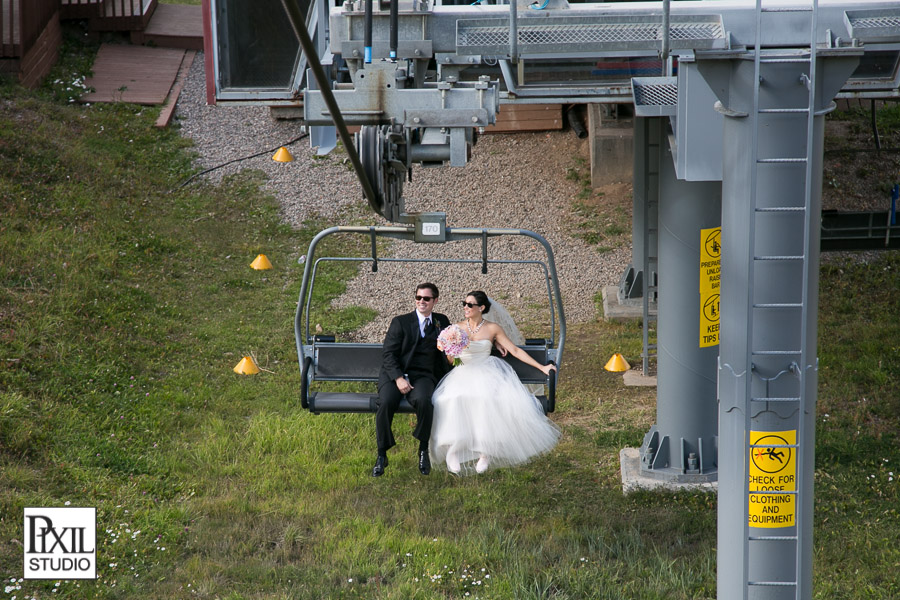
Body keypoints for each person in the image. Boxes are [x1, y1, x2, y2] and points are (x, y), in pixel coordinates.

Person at [430, 291, 561, 475]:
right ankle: (454, 448)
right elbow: (451, 361)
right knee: (450, 398)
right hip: (463, 372)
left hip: (486, 371)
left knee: (487, 398)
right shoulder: (456, 328)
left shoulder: (492, 328)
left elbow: (514, 350)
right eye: (464, 304)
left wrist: (542, 367)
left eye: (470, 305)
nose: (465, 308)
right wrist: (450, 349)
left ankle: (486, 451)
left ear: (481, 308)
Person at [373, 283, 452, 477]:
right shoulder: (401, 322)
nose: (421, 302)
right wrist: (398, 378)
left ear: (435, 301)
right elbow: (388, 355)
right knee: (385, 403)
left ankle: (423, 449)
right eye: (418, 298)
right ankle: (382, 454)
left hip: (423, 375)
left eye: (426, 298)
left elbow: (451, 348)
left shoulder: (442, 321)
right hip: (395, 375)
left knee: (425, 401)